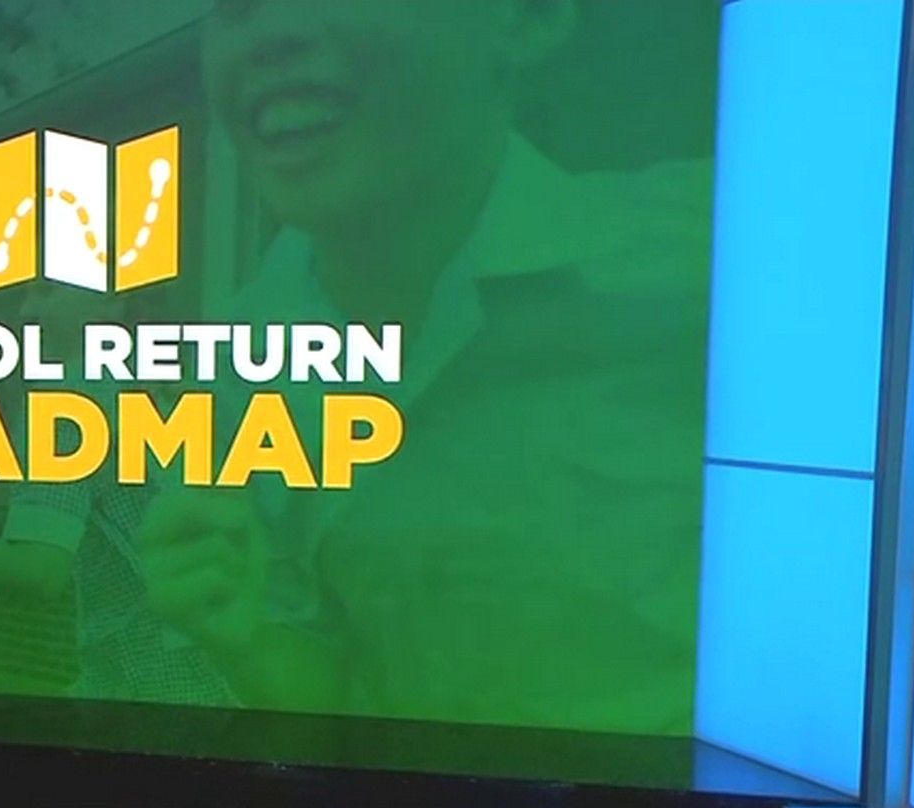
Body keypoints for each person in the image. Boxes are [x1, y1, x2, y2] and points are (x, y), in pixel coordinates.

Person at [137, 0, 712, 734]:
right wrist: (251, 646)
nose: (271, 32)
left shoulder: (734, 257)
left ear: (529, 16)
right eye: (233, 6)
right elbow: (337, 694)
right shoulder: (235, 370)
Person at [0, 285, 237, 706]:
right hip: (213, 666)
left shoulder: (68, 402)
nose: (25, 312)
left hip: (156, 684)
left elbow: (43, 567)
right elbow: (100, 513)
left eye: (46, 292)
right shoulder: (159, 382)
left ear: (110, 302)